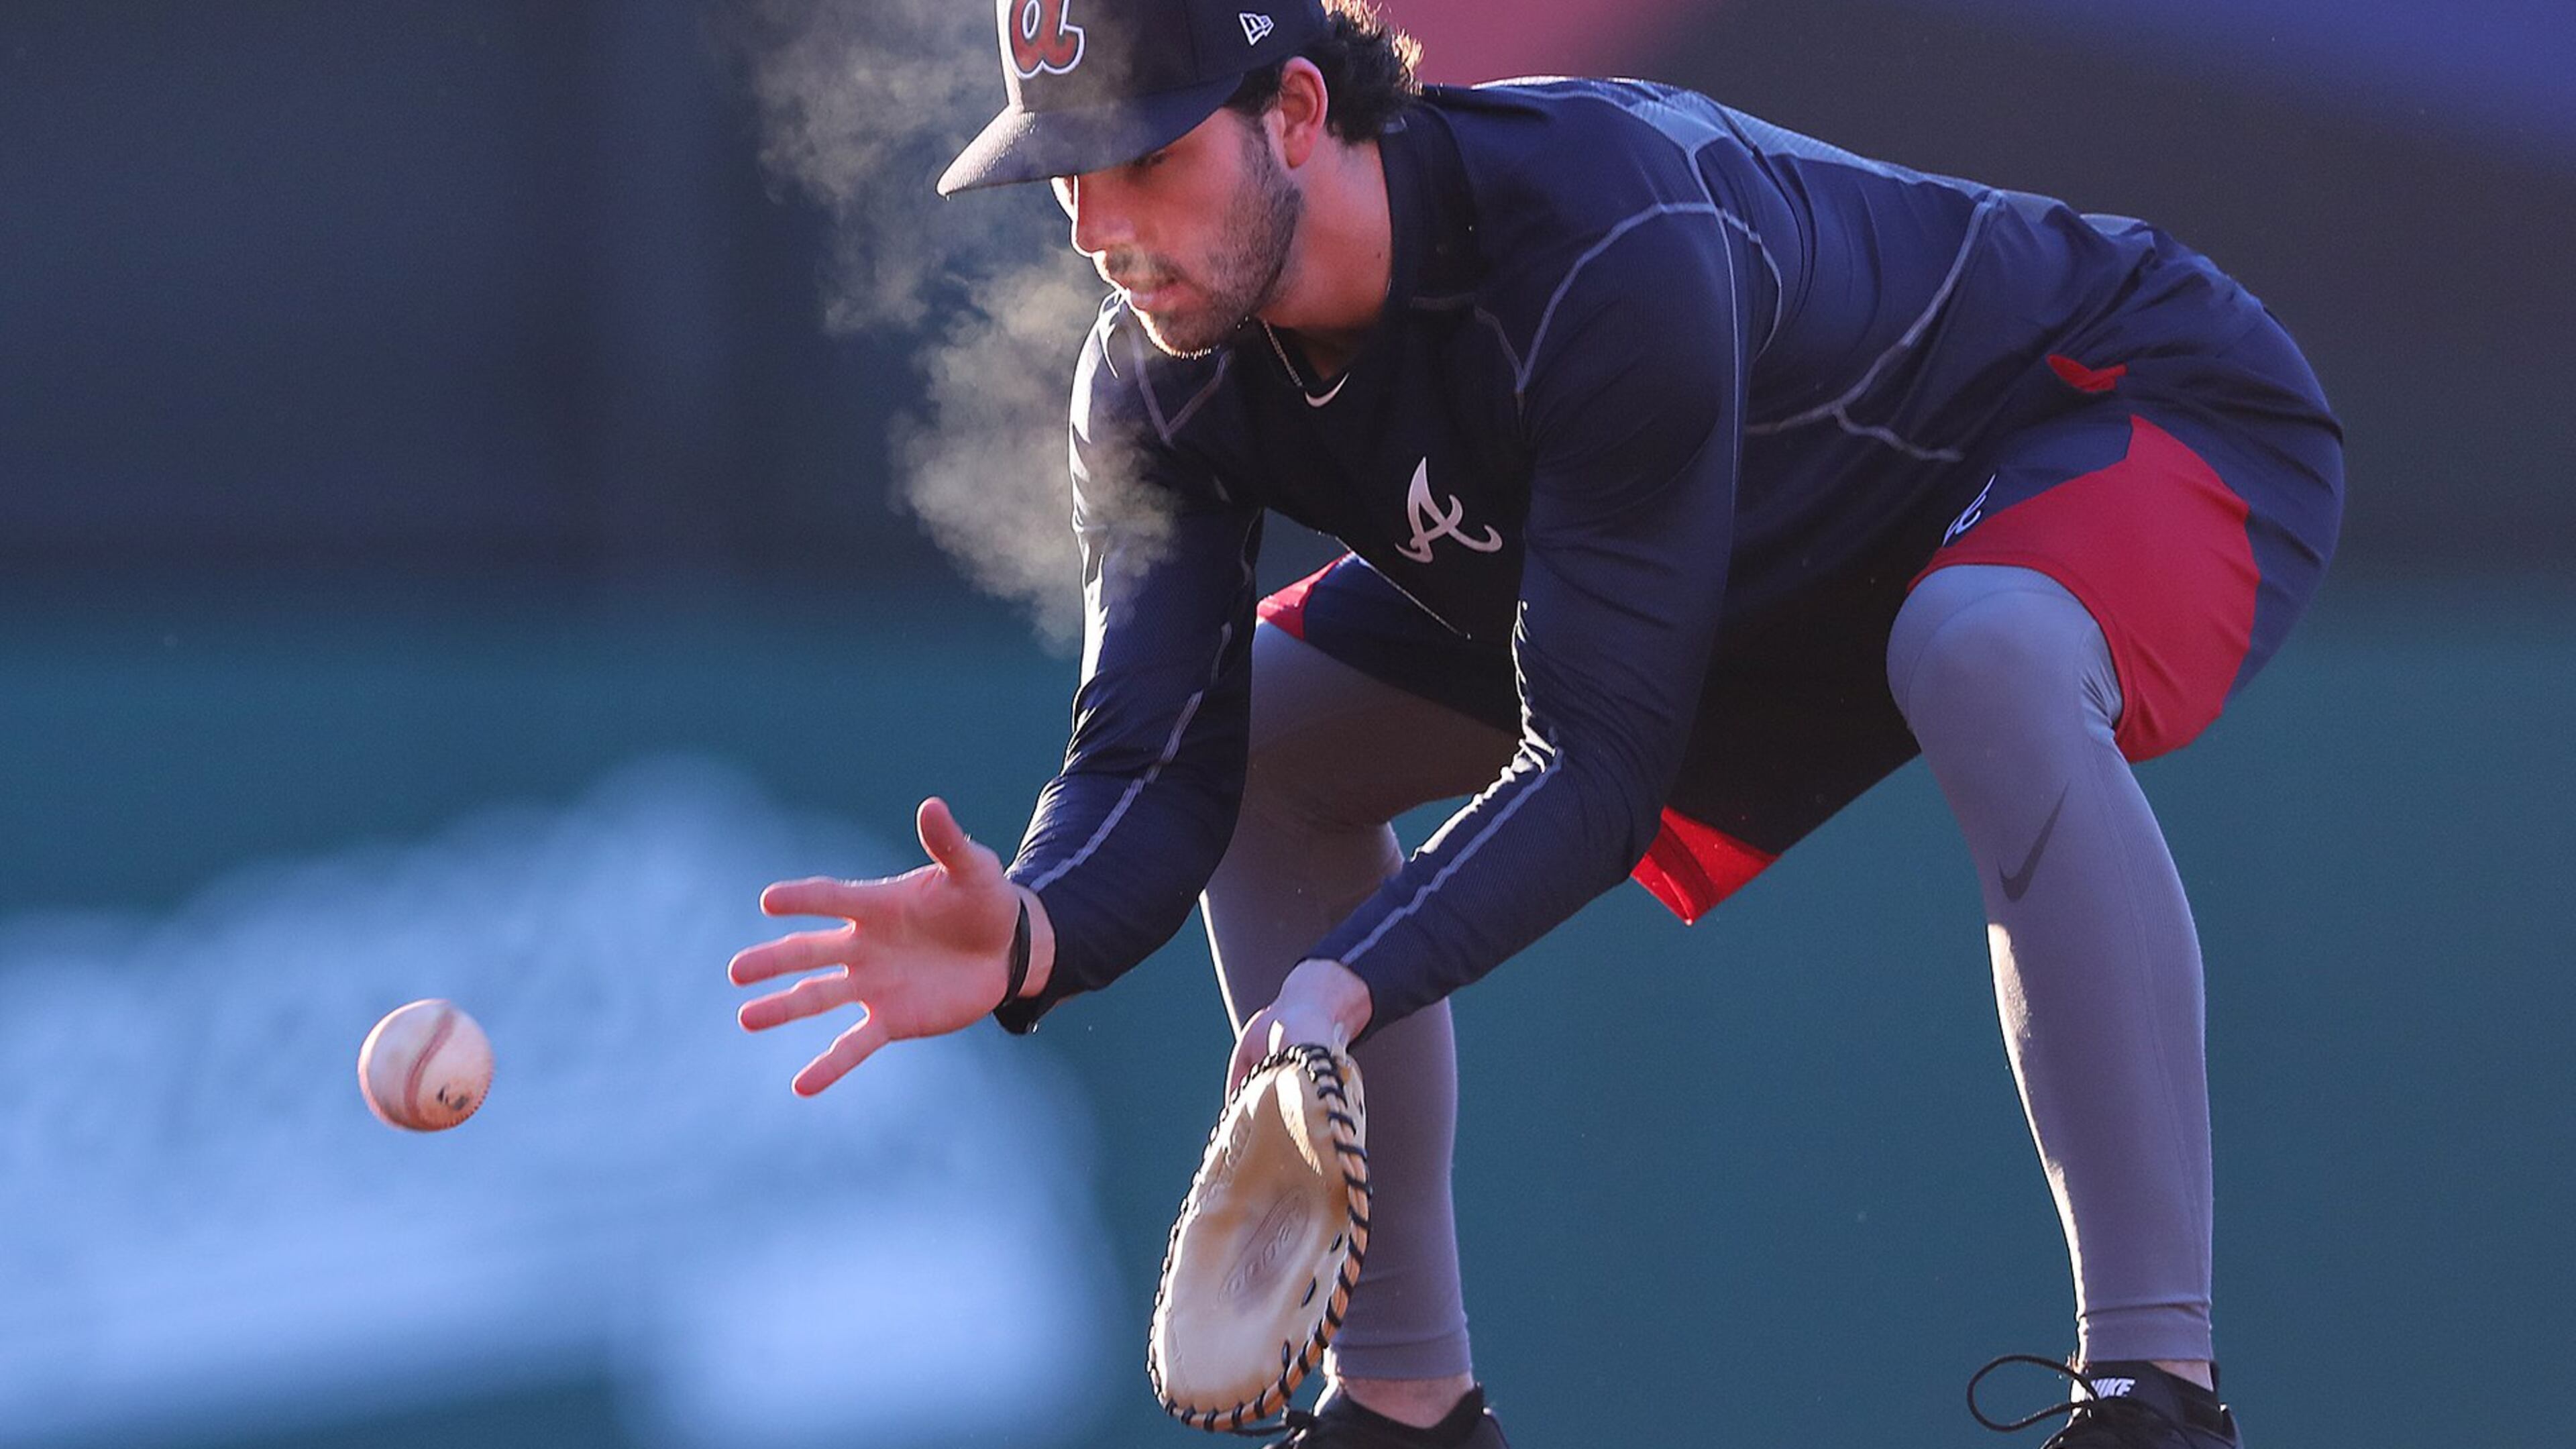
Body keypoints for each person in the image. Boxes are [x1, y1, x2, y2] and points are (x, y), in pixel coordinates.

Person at [726, 2, 2343, 1445]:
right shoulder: (1156, 379)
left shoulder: (1595, 237)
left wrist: (1342, 985)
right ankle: (1408, 1408)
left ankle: (2156, 1396)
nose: (1095, 225)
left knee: (1978, 643)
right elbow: (1160, 748)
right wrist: (1038, 932)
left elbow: (1600, 762)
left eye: (1139, 157)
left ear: (1295, 111)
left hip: (2105, 415)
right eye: (1059, 176)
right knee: (1282, 737)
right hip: (1719, 553)